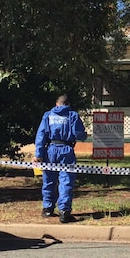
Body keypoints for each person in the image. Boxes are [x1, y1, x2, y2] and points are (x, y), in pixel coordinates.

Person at [33, 94, 87, 223]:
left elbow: (41, 135)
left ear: (56, 104)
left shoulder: (48, 115)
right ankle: (64, 211)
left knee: (49, 179)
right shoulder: (72, 115)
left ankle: (47, 208)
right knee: (66, 180)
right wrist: (83, 135)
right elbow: (79, 134)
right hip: (66, 150)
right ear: (68, 104)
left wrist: (38, 155)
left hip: (50, 149)